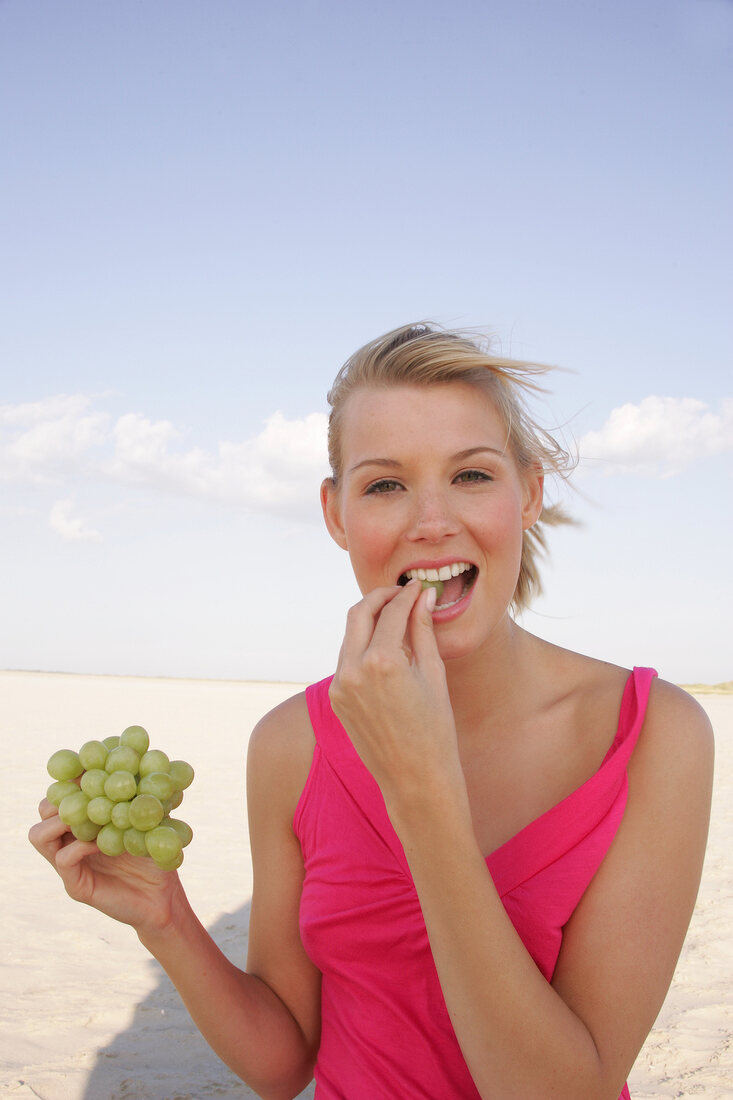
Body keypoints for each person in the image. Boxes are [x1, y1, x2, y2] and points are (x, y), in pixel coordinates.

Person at [30, 322, 714, 1100]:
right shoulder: (289, 744)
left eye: (471, 476)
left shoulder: (651, 731)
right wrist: (166, 919)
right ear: (336, 515)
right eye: (385, 485)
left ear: (527, 493)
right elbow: (284, 1063)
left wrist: (420, 788)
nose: (431, 521)